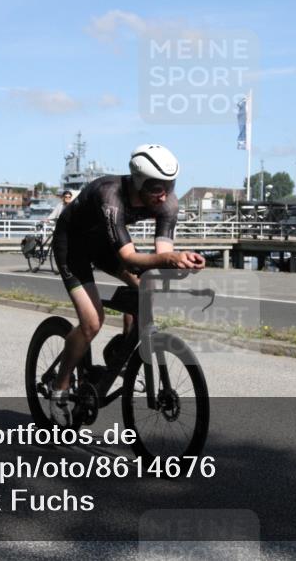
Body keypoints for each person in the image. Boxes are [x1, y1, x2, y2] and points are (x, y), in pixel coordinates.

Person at [49, 144, 205, 426]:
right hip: (72, 246)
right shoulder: (111, 195)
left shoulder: (168, 202)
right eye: (157, 187)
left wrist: (179, 261)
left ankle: (120, 348)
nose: (164, 194)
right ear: (138, 181)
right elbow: (129, 256)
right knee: (92, 322)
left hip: (104, 245)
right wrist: (168, 258)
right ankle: (59, 389)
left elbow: (161, 252)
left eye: (170, 185)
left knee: (148, 286)